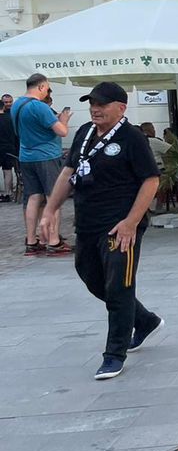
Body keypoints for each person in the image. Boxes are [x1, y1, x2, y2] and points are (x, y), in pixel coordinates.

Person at [41, 82, 162, 380]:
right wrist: (50, 209)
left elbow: (151, 181)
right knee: (92, 279)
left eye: (102, 104)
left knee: (119, 287)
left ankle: (114, 354)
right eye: (92, 102)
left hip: (121, 226)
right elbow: (69, 173)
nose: (95, 108)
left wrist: (131, 221)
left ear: (120, 107)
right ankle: (144, 320)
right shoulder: (83, 133)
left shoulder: (132, 138)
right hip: (88, 223)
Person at [14, 74, 73, 257]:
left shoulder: (17, 104)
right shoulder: (39, 107)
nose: (47, 91)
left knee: (33, 198)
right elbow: (62, 132)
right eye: (47, 88)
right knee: (52, 197)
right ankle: (53, 241)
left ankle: (32, 241)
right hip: (46, 156)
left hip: (26, 156)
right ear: (41, 87)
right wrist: (63, 119)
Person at [0, 94, 16, 201]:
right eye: (6, 102)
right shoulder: (12, 117)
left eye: (10, 102)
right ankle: (8, 193)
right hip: (10, 147)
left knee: (7, 170)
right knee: (8, 170)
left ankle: (7, 193)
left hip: (4, 147)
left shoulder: (12, 115)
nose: (9, 104)